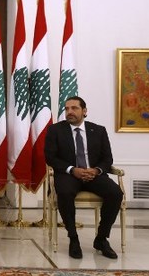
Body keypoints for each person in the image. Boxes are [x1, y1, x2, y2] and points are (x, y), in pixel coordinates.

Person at [44, 96, 123, 259]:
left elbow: (107, 159)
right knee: (64, 193)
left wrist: (96, 170)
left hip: (93, 174)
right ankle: (73, 238)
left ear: (84, 111)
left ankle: (101, 239)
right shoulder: (55, 130)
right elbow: (50, 157)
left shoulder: (98, 130)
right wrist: (72, 169)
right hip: (68, 174)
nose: (69, 112)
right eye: (67, 109)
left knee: (115, 193)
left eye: (74, 108)